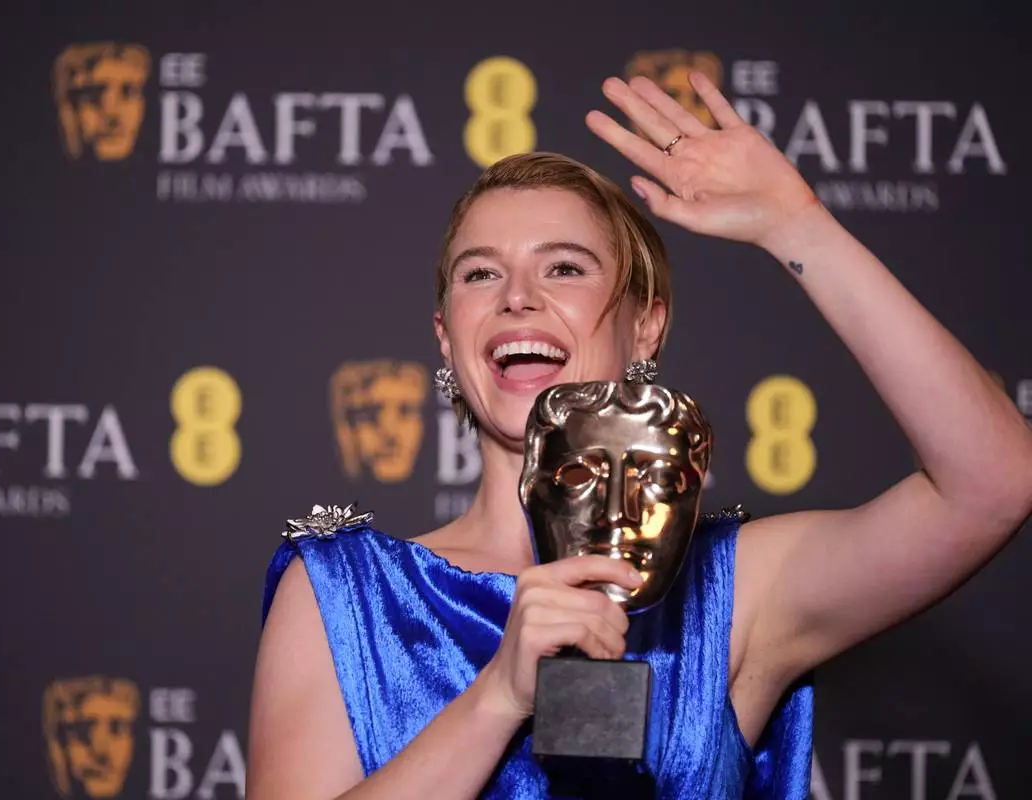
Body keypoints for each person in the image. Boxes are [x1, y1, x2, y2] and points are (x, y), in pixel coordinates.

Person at [246, 71, 1032, 798]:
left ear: (645, 329)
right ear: (448, 339)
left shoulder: (731, 593)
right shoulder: (342, 593)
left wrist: (800, 226)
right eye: (480, 274)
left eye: (565, 268)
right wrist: (498, 698)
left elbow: (994, 485)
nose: (518, 297)